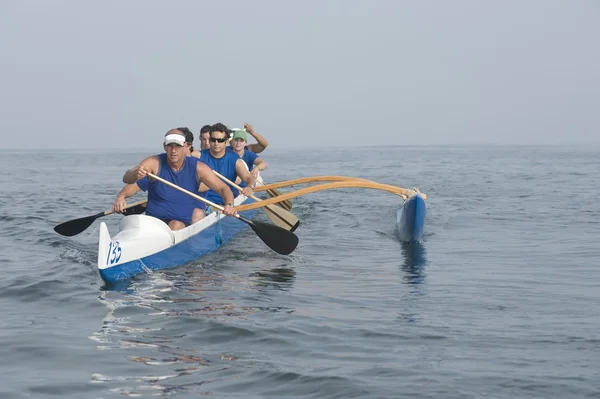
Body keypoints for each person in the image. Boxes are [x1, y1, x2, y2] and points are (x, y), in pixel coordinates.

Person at [113, 129, 237, 231]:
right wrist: (121, 195)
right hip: (154, 222)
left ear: (185, 147)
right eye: (170, 146)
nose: (173, 151)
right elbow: (128, 179)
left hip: (180, 224)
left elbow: (223, 188)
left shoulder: (198, 167)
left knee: (175, 225)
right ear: (164, 146)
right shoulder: (154, 163)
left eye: (177, 146)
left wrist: (229, 204)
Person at [198, 123, 255, 206]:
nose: (216, 143)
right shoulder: (197, 156)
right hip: (201, 202)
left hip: (225, 203)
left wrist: (250, 187)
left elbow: (248, 178)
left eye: (220, 140)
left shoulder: (235, 160)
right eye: (213, 140)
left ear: (227, 141)